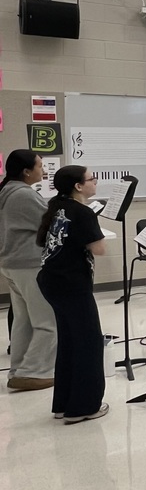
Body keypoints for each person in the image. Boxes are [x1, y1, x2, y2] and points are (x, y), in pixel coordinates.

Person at [35, 166, 107, 424]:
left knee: (69, 341)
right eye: (90, 178)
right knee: (89, 343)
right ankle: (83, 407)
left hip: (51, 281)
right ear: (78, 186)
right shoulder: (83, 211)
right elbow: (99, 249)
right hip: (70, 283)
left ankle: (64, 404)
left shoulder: (58, 206)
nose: (94, 181)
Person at [0, 151, 56, 391]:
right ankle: (35, 371)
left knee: (23, 320)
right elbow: (50, 224)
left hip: (12, 264)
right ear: (26, 171)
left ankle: (19, 369)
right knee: (47, 320)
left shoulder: (6, 190)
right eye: (40, 166)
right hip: (29, 264)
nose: (43, 171)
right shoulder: (23, 194)